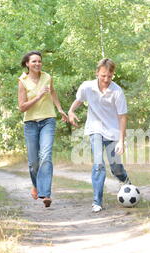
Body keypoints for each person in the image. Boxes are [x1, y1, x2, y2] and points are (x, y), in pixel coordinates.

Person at [68, 58, 131, 213]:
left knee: (115, 167)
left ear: (112, 75)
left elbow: (122, 116)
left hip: (113, 131)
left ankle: (127, 182)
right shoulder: (87, 87)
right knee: (98, 164)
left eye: (109, 76)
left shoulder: (117, 91)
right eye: (103, 75)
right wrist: (71, 111)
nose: (106, 79)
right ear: (97, 73)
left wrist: (121, 141)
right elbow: (79, 100)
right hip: (95, 129)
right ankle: (97, 201)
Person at [18, 51, 68, 207]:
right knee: (33, 162)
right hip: (31, 123)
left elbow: (52, 92)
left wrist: (59, 109)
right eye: (34, 61)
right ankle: (37, 185)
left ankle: (45, 193)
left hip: (48, 120)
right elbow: (22, 107)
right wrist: (38, 96)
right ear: (27, 63)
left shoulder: (47, 77)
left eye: (39, 61)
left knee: (45, 155)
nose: (37, 64)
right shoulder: (22, 81)